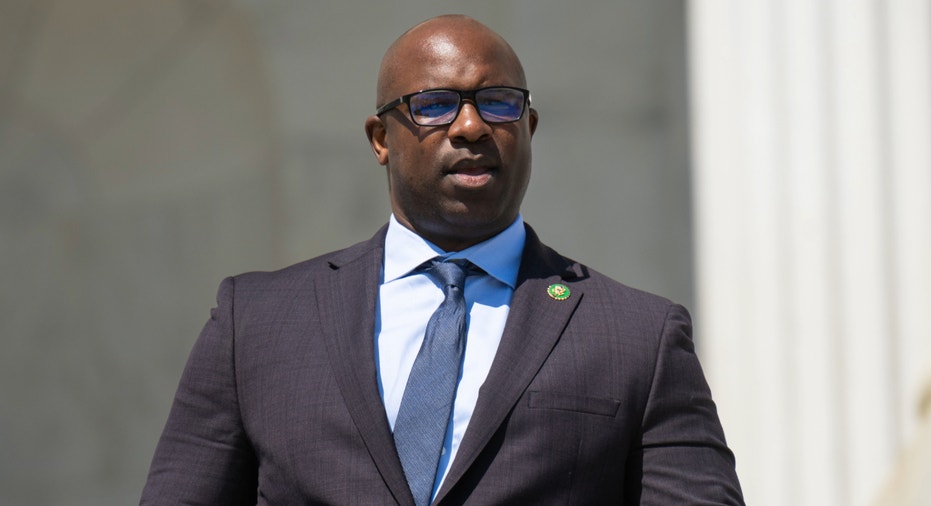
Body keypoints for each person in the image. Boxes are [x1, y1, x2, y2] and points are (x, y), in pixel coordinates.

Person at [141, 14, 743, 505]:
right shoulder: (257, 322)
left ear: (529, 127)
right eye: (435, 105)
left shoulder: (636, 336)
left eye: (499, 103)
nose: (473, 126)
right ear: (381, 138)